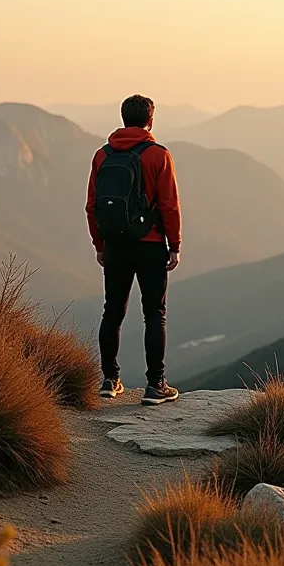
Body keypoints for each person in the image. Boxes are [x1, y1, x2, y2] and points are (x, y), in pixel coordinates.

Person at [85, 94, 182, 405]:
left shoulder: (102, 155)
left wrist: (100, 244)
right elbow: (169, 205)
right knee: (154, 314)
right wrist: (174, 244)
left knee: (112, 312)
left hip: (115, 245)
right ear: (150, 121)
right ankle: (156, 385)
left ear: (123, 118)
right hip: (151, 244)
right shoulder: (158, 155)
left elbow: (92, 206)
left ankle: (110, 380)